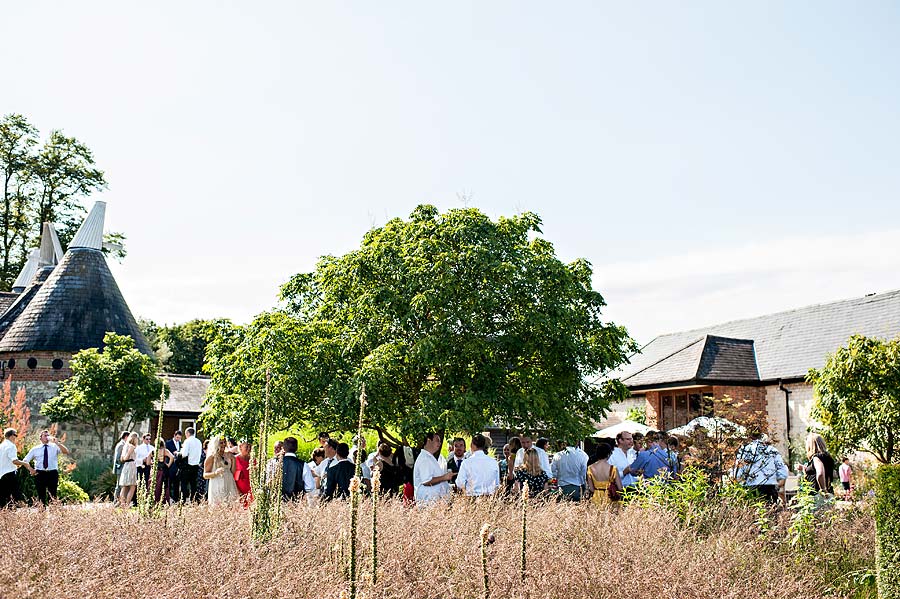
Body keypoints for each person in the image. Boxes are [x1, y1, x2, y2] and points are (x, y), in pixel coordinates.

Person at [733, 431, 788, 504]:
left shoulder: (744, 450)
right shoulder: (772, 450)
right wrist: (777, 484)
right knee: (769, 512)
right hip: (768, 487)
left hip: (749, 487)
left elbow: (737, 473)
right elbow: (782, 471)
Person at [21, 429, 70, 505]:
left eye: (48, 435)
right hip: (40, 474)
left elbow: (66, 451)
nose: (47, 437)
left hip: (52, 473)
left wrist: (58, 443)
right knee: (41, 495)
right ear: (40, 438)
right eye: (45, 435)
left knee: (53, 495)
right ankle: (42, 514)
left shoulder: (55, 446)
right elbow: (25, 460)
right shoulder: (35, 449)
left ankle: (54, 514)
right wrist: (31, 470)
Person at [413, 432, 454, 503]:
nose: (440, 443)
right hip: (427, 502)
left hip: (434, 502)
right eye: (437, 440)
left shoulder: (430, 457)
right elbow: (426, 481)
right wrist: (444, 477)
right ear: (429, 440)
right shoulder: (424, 459)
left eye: (440, 441)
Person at [1, 428, 31, 507]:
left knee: (3, 497)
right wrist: (25, 463)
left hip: (2, 475)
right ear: (11, 436)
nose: (16, 437)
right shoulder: (11, 446)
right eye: (15, 435)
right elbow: (14, 461)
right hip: (9, 474)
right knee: (13, 497)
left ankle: (4, 516)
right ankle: (11, 516)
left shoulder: (1, 445)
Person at [204, 436, 238, 506]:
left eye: (224, 442)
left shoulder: (228, 455)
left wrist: (233, 459)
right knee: (218, 506)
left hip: (229, 482)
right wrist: (215, 473)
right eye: (221, 443)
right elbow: (205, 475)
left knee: (231, 505)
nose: (223, 444)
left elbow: (233, 472)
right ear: (216, 444)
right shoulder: (211, 457)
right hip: (217, 482)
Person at [178, 427, 203, 502]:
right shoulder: (199, 441)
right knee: (193, 485)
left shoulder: (187, 441)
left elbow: (184, 454)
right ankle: (193, 500)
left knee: (184, 484)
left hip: (187, 465)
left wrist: (178, 454)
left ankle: (183, 500)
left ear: (188, 433)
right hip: (196, 465)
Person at [117, 432, 140, 508]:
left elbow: (122, 458)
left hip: (126, 466)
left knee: (125, 486)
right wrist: (130, 451)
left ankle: (123, 504)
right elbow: (125, 458)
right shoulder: (131, 447)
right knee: (132, 486)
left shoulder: (125, 446)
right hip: (130, 465)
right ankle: (126, 504)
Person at [153, 438, 175, 503]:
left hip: (156, 469)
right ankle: (163, 501)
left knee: (156, 485)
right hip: (163, 469)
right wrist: (168, 465)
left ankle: (155, 500)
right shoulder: (165, 450)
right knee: (164, 485)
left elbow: (149, 461)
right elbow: (172, 457)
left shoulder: (154, 450)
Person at [165, 430, 182, 502]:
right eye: (177, 437)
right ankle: (168, 497)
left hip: (177, 466)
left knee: (176, 483)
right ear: (174, 436)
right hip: (170, 465)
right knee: (169, 482)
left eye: (179, 438)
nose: (178, 439)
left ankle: (176, 498)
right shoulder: (168, 443)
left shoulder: (180, 444)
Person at [112, 431, 130, 501]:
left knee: (121, 485)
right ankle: (116, 501)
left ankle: (119, 501)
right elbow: (118, 458)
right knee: (119, 486)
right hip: (120, 468)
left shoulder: (123, 444)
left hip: (122, 468)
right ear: (126, 437)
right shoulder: (121, 445)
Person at [234, 440, 252, 506]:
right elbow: (233, 477)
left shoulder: (252, 459)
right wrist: (238, 491)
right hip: (239, 489)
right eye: (246, 447)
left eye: (250, 447)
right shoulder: (235, 459)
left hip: (251, 489)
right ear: (240, 447)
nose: (249, 449)